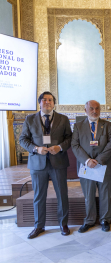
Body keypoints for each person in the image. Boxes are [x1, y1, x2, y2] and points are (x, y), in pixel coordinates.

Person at [19, 91, 71, 238]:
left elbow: (69, 138)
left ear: (54, 103)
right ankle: (39, 226)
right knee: (39, 196)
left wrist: (59, 147)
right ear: (39, 102)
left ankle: (63, 224)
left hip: (58, 161)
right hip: (37, 163)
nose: (47, 102)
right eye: (44, 100)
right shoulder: (29, 119)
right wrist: (36, 149)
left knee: (62, 194)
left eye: (50, 100)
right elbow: (23, 139)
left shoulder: (63, 119)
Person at [71, 100, 111, 233]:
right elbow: (75, 145)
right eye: (91, 108)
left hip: (103, 165)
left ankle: (105, 220)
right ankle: (89, 220)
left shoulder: (108, 125)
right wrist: (87, 160)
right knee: (88, 194)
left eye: (97, 108)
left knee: (105, 193)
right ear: (85, 110)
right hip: (86, 166)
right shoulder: (78, 126)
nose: (94, 111)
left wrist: (99, 160)